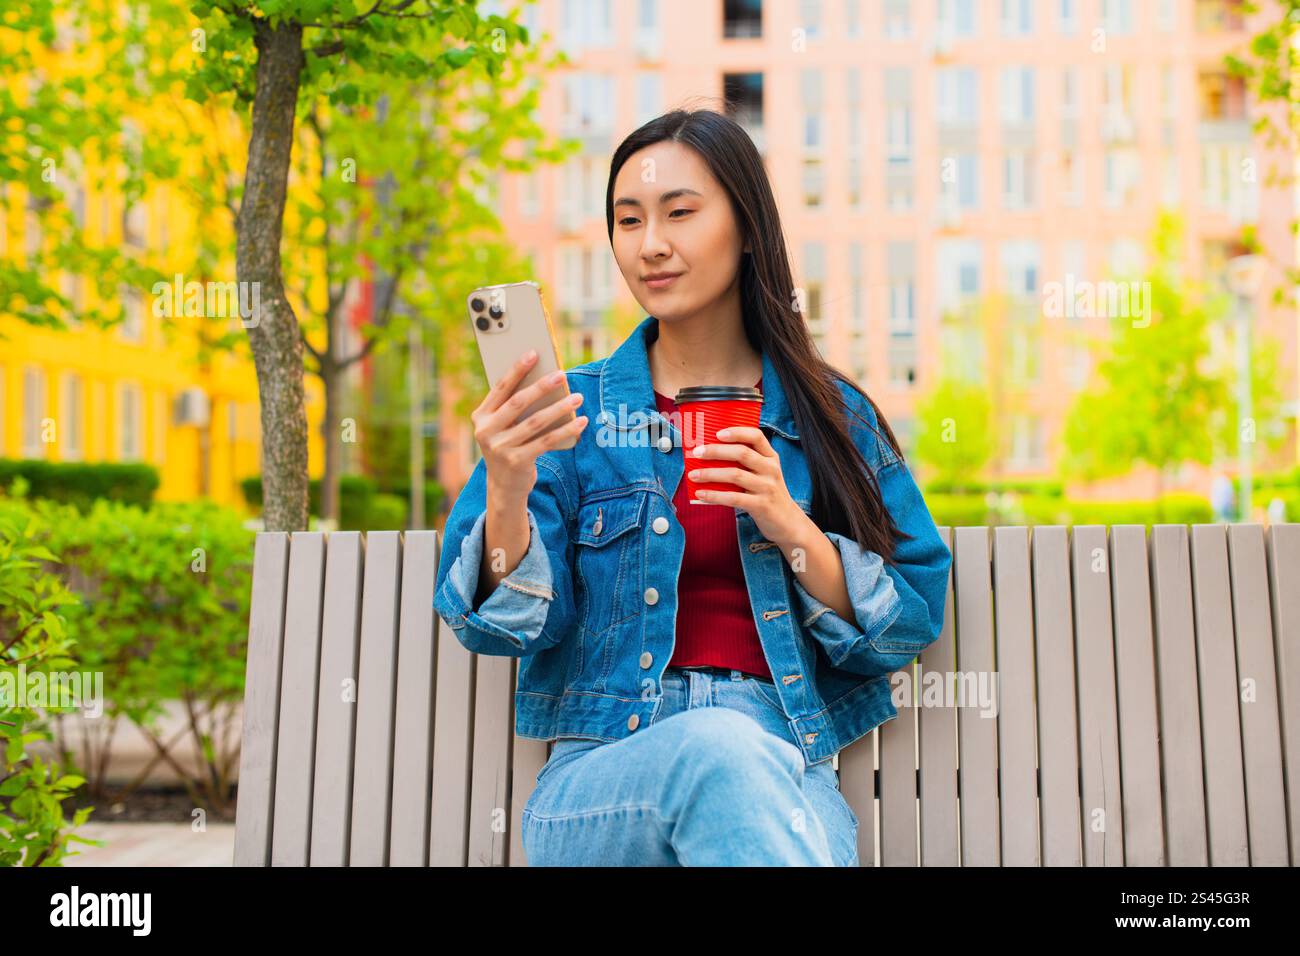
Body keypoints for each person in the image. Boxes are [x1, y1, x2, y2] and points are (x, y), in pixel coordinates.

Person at [434, 109, 952, 866]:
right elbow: (500, 628)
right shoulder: (569, 417)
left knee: (732, 759)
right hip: (602, 782)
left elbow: (909, 620)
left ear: (746, 229)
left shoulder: (831, 418)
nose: (651, 245)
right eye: (628, 220)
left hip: (785, 778)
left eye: (680, 213)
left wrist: (792, 528)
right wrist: (509, 490)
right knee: (715, 750)